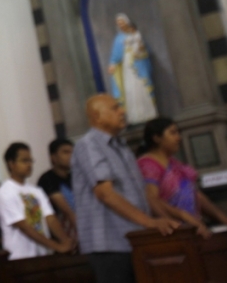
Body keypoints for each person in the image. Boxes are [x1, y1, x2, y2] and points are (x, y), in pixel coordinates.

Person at [71, 95, 179, 283]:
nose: (122, 112)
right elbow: (105, 193)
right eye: (114, 108)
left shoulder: (121, 147)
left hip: (135, 238)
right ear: (97, 117)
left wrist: (165, 220)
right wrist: (149, 222)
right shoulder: (88, 145)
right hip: (109, 242)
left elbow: (142, 194)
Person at [137, 117, 227, 235]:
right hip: (171, 232)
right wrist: (178, 222)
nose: (178, 138)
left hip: (191, 228)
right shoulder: (148, 165)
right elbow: (151, 200)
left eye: (178, 133)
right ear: (157, 138)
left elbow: (196, 196)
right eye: (173, 133)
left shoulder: (174, 164)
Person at [0, 143, 73, 260]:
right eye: (24, 160)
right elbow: (24, 226)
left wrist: (66, 242)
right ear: (11, 164)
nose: (29, 164)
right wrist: (57, 246)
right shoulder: (4, 192)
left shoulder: (36, 191)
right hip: (20, 257)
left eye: (30, 160)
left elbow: (50, 218)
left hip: (44, 254)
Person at [107, 14, 157, 124]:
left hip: (138, 64)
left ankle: (148, 113)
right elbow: (115, 55)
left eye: (122, 22)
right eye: (119, 23)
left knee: (141, 87)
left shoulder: (136, 34)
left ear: (127, 22)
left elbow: (143, 49)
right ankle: (134, 116)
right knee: (129, 88)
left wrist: (140, 48)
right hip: (127, 66)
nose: (120, 25)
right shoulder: (119, 38)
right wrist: (112, 64)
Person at [37, 138, 77, 236]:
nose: (70, 156)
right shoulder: (47, 179)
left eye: (72, 152)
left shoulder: (75, 177)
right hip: (60, 232)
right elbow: (66, 210)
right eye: (65, 152)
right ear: (53, 157)